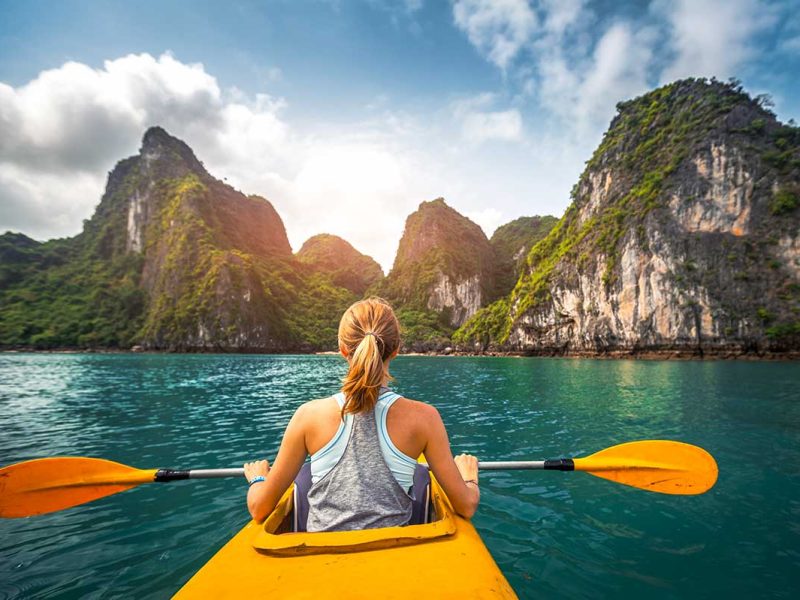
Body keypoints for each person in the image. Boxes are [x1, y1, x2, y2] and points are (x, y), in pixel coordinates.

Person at [243, 296, 480, 531]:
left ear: (342, 349)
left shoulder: (308, 416)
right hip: (392, 559)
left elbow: (259, 508)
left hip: (321, 560)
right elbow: (466, 506)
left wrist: (258, 479)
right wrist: (468, 477)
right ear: (396, 349)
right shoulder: (424, 418)